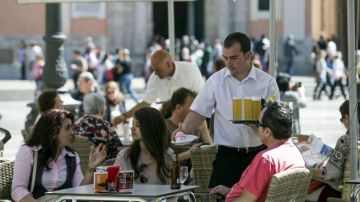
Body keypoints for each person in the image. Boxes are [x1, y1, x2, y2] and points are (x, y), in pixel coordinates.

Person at [175, 32, 280, 190]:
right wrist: (181, 131)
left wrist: (260, 126)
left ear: (249, 55)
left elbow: (277, 121)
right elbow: (198, 112)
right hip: (226, 156)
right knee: (217, 195)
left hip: (259, 155)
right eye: (225, 58)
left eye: (234, 58)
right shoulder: (215, 81)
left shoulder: (267, 83)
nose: (228, 63)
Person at [209, 101, 306, 202]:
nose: (255, 126)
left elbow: (246, 200)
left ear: (267, 131)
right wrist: (230, 191)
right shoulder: (294, 152)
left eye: (258, 123)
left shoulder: (266, 159)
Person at [11, 109, 107, 201]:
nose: (72, 132)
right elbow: (18, 189)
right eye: (67, 128)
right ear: (52, 131)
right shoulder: (29, 152)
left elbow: (79, 192)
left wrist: (91, 168)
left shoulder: (72, 157)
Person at [113, 49, 204, 125]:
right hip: (169, 123)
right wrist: (123, 116)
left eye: (158, 70)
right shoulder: (154, 78)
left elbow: (201, 98)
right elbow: (145, 103)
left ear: (168, 64)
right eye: (153, 70)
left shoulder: (190, 70)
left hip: (194, 120)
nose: (155, 73)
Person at [307, 100, 360, 201]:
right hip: (357, 191)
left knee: (304, 194)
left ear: (347, 117)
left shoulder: (345, 140)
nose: (342, 122)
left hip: (342, 193)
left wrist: (309, 171)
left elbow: (329, 174)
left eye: (342, 118)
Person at [114, 107, 172, 184]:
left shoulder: (167, 155)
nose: (132, 128)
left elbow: (173, 188)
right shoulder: (124, 155)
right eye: (132, 124)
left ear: (151, 127)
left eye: (138, 124)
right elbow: (113, 185)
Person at [161, 87, 212, 162]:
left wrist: (204, 130)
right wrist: (189, 153)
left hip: (198, 170)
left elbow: (211, 153)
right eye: (193, 108)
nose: (196, 111)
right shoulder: (163, 127)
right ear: (178, 108)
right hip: (176, 171)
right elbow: (164, 160)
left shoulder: (197, 125)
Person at [72, 93, 123, 160]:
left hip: (78, 167)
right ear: (102, 109)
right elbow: (119, 151)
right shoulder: (106, 126)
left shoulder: (76, 126)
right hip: (101, 168)